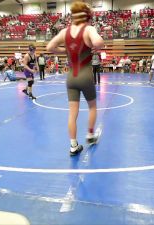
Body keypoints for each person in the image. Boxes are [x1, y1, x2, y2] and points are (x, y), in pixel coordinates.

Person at [47, 1, 104, 156]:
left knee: (72, 114)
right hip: (85, 76)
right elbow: (99, 42)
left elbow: (49, 48)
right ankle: (90, 135)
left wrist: (65, 51)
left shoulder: (64, 32)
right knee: (92, 107)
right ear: (87, 16)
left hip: (71, 78)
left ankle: (73, 146)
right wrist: (93, 46)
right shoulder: (88, 29)